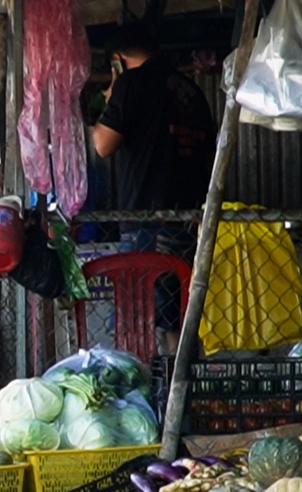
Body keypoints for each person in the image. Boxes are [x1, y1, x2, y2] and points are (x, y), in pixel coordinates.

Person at [92, 23, 215, 354]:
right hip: (188, 219)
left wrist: (115, 89)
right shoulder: (190, 89)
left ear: (117, 60)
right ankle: (185, 391)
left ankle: (159, 398)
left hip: (147, 219)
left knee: (147, 320)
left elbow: (102, 143)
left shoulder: (132, 83)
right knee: (179, 315)